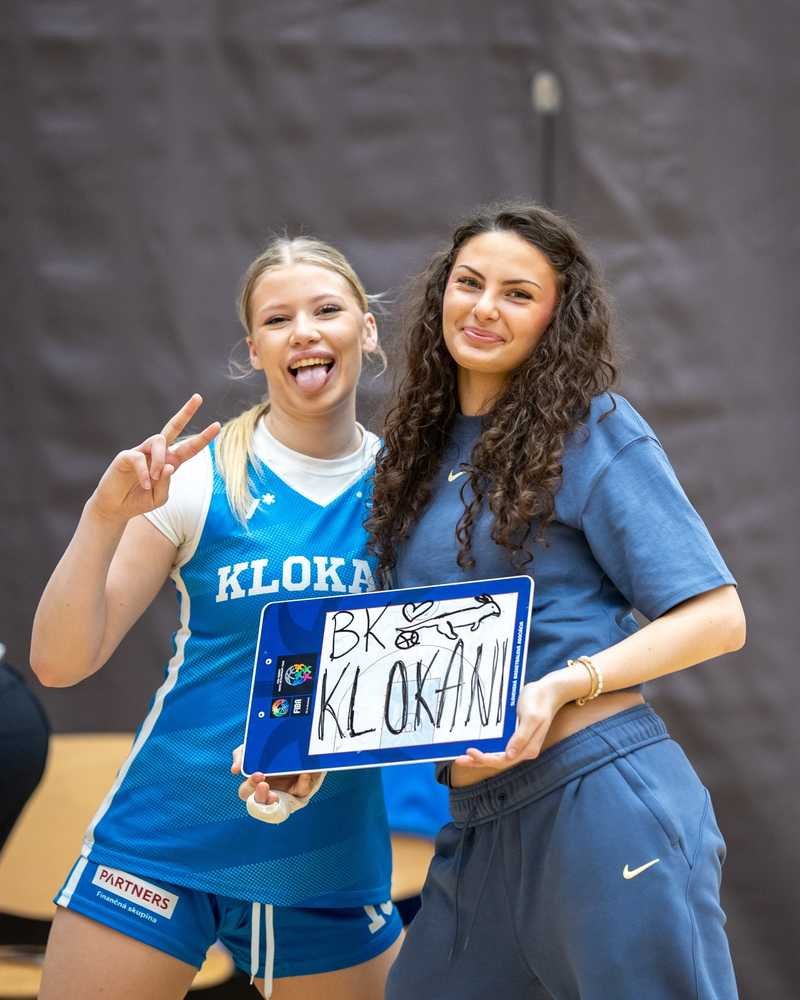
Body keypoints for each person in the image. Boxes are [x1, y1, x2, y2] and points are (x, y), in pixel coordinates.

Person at [368, 204, 745, 1000]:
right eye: (469, 283)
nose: (484, 308)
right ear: (440, 294)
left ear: (554, 318)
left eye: (517, 293)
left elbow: (718, 618)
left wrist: (564, 685)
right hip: (475, 817)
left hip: (596, 793)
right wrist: (300, 758)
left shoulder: (591, 430)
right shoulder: (414, 457)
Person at [30, 237, 402, 1000]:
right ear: (254, 350)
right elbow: (59, 663)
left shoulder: (410, 490)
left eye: (326, 310)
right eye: (278, 319)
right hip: (168, 839)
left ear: (366, 330)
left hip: (326, 857)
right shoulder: (199, 480)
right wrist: (103, 518)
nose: (304, 331)